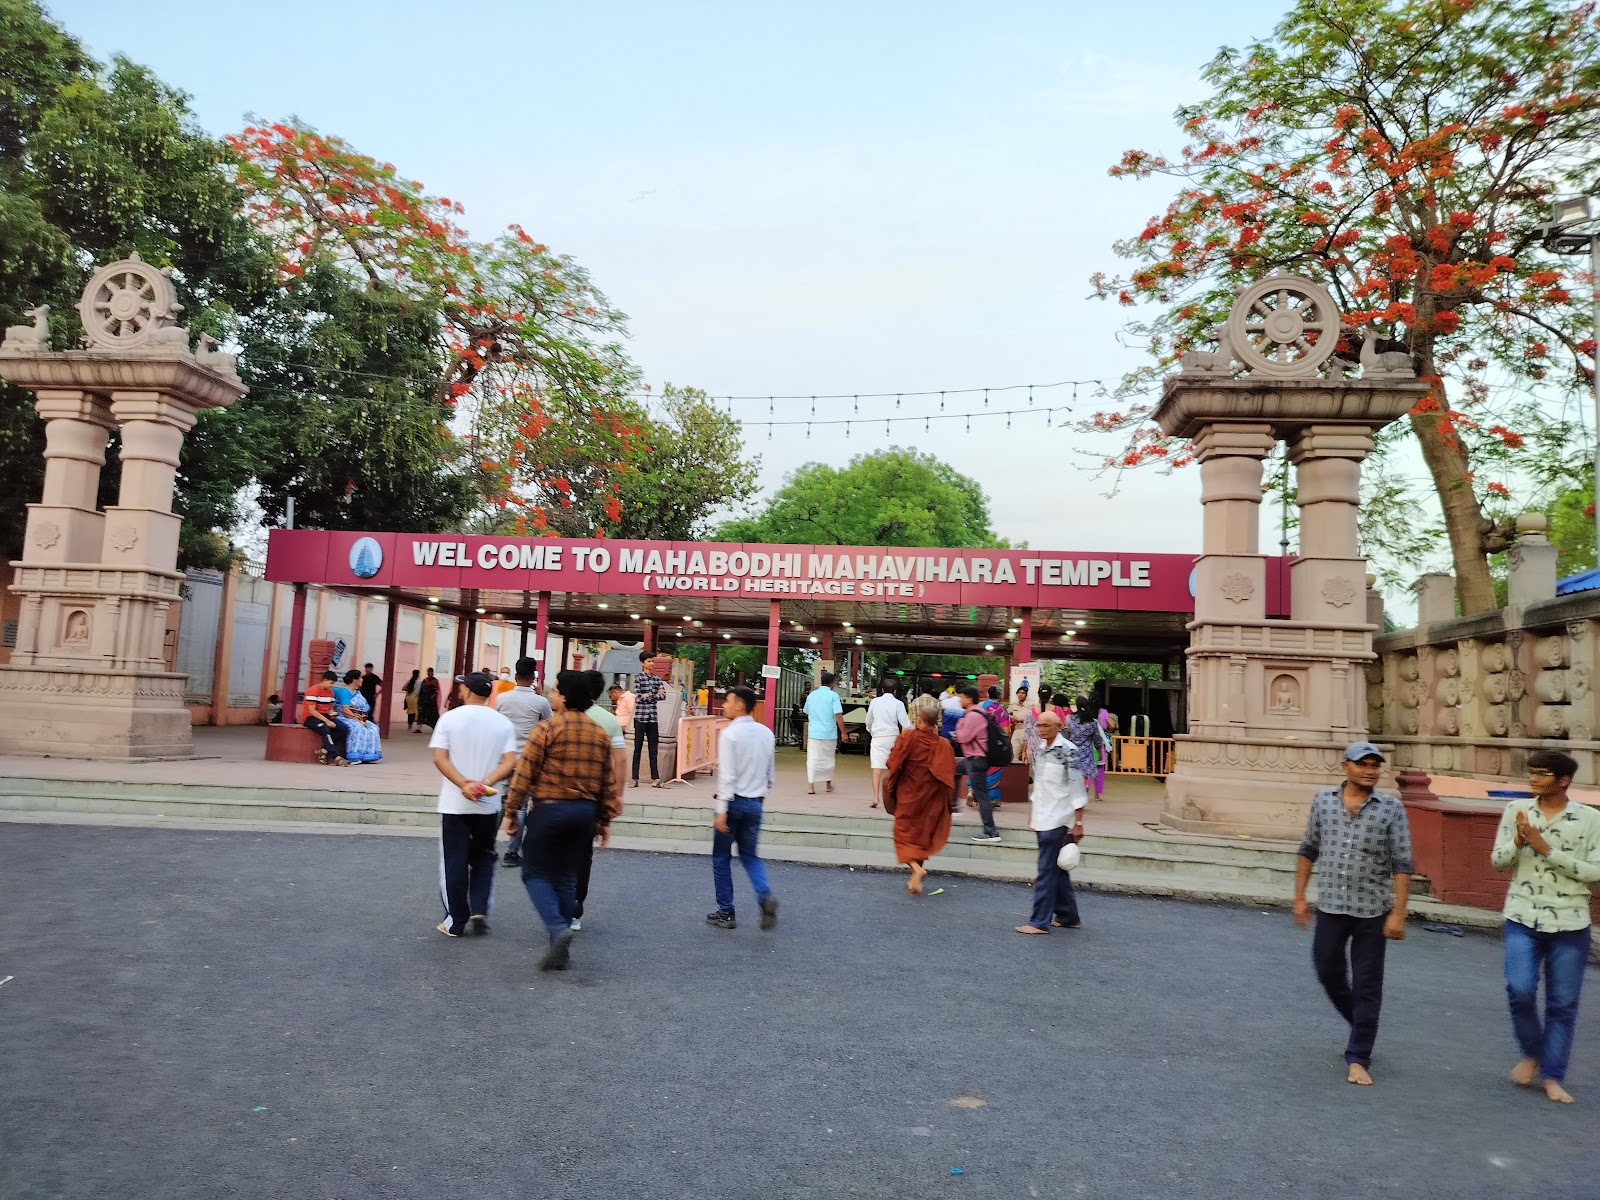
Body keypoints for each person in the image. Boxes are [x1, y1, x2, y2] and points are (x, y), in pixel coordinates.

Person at [1293, 742, 1413, 1087]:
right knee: (1327, 970)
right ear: (1345, 766)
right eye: (1363, 764)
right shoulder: (1323, 801)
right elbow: (1309, 848)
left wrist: (1399, 914)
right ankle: (1359, 1021)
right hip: (1331, 905)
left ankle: (1359, 1055)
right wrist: (1299, 897)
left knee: (1367, 984)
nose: (1370, 770)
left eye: (1375, 765)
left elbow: (1402, 863)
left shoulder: (1391, 808)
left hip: (1372, 910)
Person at [1489, 748, 1600, 1104]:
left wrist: (1546, 848)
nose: (1533, 779)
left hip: (1570, 922)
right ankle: (1535, 1052)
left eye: (1542, 774)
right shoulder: (1515, 811)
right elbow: (1498, 862)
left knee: (1563, 1003)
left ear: (1564, 780)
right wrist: (1519, 841)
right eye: (1532, 773)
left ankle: (1553, 1075)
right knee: (1519, 989)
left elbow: (1596, 872)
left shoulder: (1589, 819)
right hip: (1523, 916)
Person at [504, 670, 621, 971]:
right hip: (583, 814)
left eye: (555, 691)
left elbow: (524, 774)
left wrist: (511, 812)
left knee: (535, 873)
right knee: (568, 875)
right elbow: (607, 781)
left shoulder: (546, 729)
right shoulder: (598, 732)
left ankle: (558, 929)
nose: (551, 696)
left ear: (566, 696)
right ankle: (562, 947)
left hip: (549, 811)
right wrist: (604, 820)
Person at [428, 672, 519, 938]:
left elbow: (440, 758)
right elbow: (509, 761)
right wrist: (484, 783)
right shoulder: (502, 723)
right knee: (484, 857)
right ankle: (479, 909)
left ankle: (456, 920)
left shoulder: (449, 718)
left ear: (466, 690)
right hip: (488, 802)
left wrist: (464, 785)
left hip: (455, 803)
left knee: (454, 861)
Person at [706, 685, 780, 931]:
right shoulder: (766, 733)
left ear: (740, 704)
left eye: (727, 701)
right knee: (750, 855)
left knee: (721, 858)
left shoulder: (730, 734)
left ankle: (726, 911)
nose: (723, 705)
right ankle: (764, 894)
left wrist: (720, 810)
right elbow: (770, 775)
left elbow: (726, 776)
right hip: (756, 802)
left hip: (733, 802)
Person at [1014, 710, 1084, 934]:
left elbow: (1076, 787)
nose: (1042, 729)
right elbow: (1041, 786)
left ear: (1059, 726)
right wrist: (1033, 814)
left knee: (1045, 871)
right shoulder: (1041, 750)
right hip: (1043, 815)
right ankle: (1068, 916)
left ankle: (1039, 922)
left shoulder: (1068, 751)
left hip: (1060, 818)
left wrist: (1078, 822)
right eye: (1039, 725)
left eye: (1047, 725)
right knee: (1057, 869)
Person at [882, 695, 955, 895]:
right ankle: (914, 878)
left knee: (903, 834)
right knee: (922, 835)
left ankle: (916, 868)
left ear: (919, 720)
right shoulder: (944, 745)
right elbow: (949, 776)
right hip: (931, 798)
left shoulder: (909, 737)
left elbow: (893, 762)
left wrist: (891, 782)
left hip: (909, 794)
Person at [576, 669, 628, 930]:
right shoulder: (609, 720)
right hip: (593, 795)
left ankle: (556, 905)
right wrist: (617, 795)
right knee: (583, 855)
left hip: (556, 797)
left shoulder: (562, 718)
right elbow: (620, 760)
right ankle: (575, 909)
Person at [494, 657, 555, 866]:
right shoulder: (541, 702)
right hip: (528, 761)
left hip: (504, 759)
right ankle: (512, 852)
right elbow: (549, 725)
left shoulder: (502, 699)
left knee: (501, 802)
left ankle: (487, 847)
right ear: (533, 678)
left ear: (515, 676)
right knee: (520, 806)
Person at [953, 686, 1001, 843]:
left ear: (969, 699)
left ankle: (991, 832)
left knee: (981, 796)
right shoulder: (978, 713)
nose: (959, 700)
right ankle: (952, 806)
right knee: (953, 769)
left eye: (961, 697)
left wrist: (960, 725)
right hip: (971, 759)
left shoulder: (973, 716)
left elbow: (963, 737)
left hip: (977, 760)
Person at [866, 681, 912, 808]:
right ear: (895, 691)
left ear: (882, 690)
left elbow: (869, 720)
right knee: (894, 767)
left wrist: (871, 731)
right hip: (893, 738)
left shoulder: (874, 702)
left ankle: (875, 798)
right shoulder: (898, 704)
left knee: (876, 768)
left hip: (878, 737)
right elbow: (906, 724)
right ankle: (893, 797)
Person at [803, 673, 846, 794]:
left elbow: (806, 711)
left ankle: (811, 786)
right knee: (828, 758)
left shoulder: (811, 695)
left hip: (814, 733)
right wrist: (843, 732)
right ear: (831, 683)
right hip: (829, 733)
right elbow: (838, 714)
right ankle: (828, 784)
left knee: (812, 758)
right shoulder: (833, 696)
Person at [301, 670, 349, 766]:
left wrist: (332, 714)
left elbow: (329, 708)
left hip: (325, 716)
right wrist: (327, 721)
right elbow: (312, 711)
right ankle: (336, 757)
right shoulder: (313, 690)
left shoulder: (330, 693)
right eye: (331, 683)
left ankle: (323, 750)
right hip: (310, 718)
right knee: (324, 728)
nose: (332, 685)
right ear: (325, 680)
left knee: (343, 728)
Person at [1066, 700, 1110, 802]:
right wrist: (1099, 752)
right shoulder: (1092, 722)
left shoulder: (1071, 719)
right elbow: (1097, 739)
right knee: (1084, 776)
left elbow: (1067, 735)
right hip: (1086, 752)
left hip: (1072, 752)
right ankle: (1081, 797)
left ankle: (1073, 797)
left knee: (1073, 775)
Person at [630, 670, 667, 789]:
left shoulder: (657, 678)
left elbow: (663, 695)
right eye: (649, 661)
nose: (651, 663)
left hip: (653, 718)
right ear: (642, 663)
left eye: (652, 661)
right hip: (640, 717)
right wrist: (654, 695)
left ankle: (655, 778)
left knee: (653, 749)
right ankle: (634, 778)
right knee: (637, 749)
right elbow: (638, 698)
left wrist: (648, 695)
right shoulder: (638, 677)